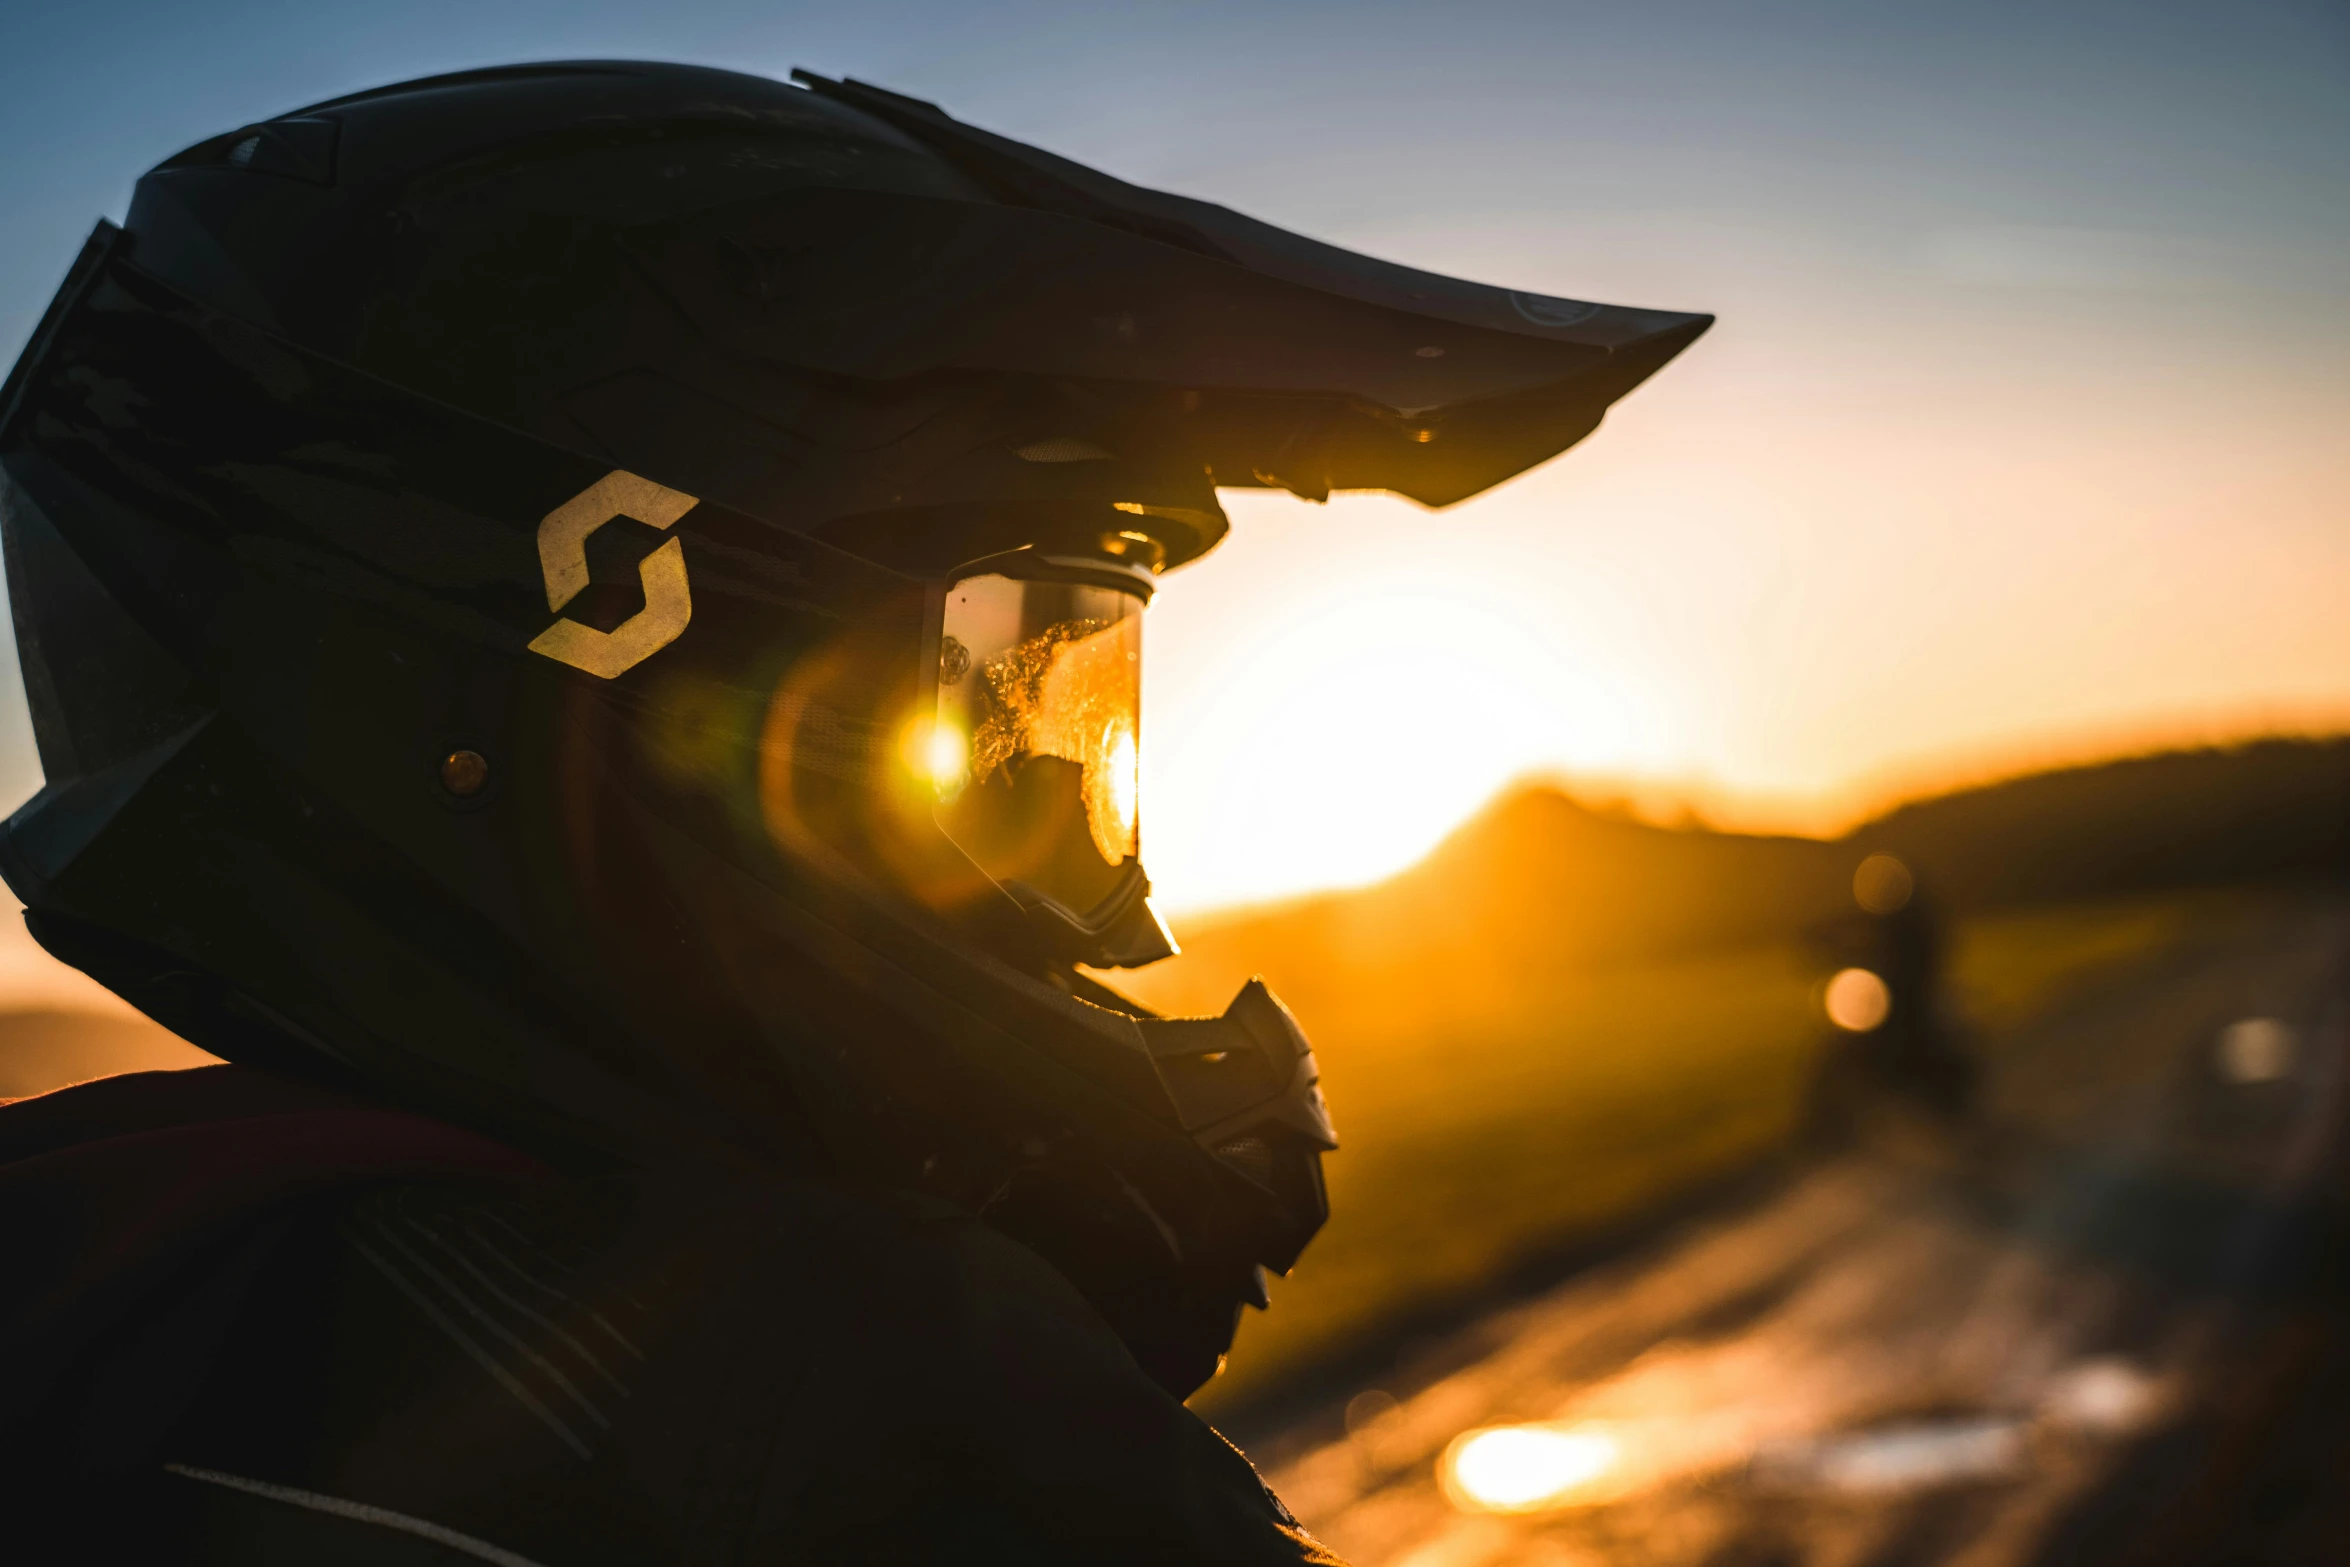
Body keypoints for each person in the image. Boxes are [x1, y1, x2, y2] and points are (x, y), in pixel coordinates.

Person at [0, 62, 1707, 1562]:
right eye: (983, 691)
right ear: (602, 661)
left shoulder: (145, 1267)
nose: (1055, 845)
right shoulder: (849, 1398)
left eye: (1067, 703)